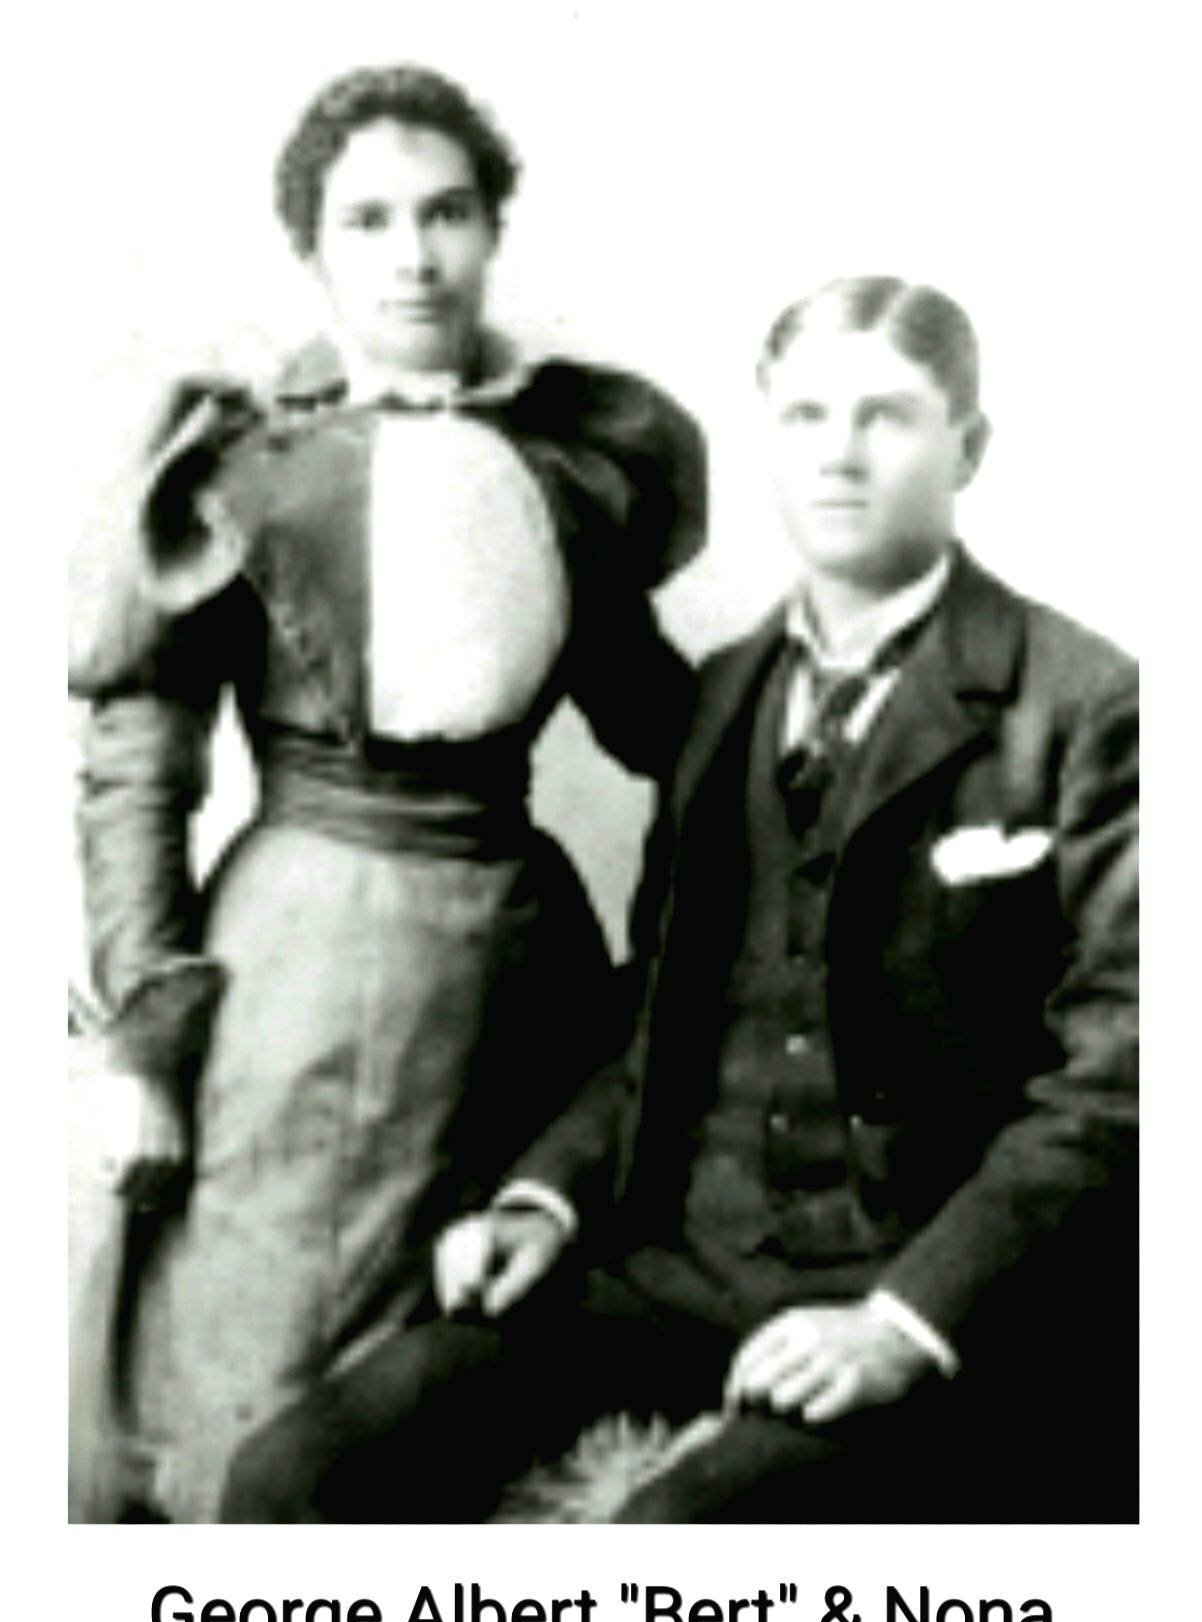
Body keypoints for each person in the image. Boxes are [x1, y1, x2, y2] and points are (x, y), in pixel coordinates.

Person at [221, 275, 1138, 1524]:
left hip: (920, 1288)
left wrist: (904, 1321)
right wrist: (541, 1198)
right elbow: (645, 1017)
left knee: (672, 1541)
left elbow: (1117, 1083)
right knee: (290, 1477)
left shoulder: (1086, 704)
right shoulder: (720, 696)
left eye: (884, 416)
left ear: (967, 449)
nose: (838, 454)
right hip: (676, 1271)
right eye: (805, 416)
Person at [68, 63, 705, 1522]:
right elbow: (135, 772)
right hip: (293, 978)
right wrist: (145, 1045)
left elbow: (667, 726)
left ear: (492, 230)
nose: (414, 256)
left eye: (446, 213)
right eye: (367, 221)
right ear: (311, 249)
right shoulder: (241, 468)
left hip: (519, 976)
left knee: (457, 1390)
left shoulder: (567, 467)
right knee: (257, 1390)